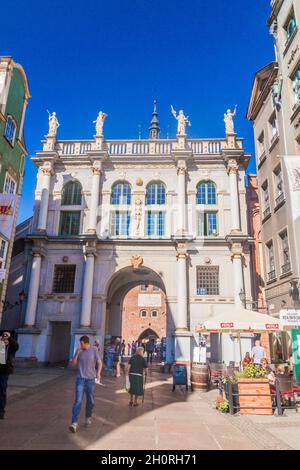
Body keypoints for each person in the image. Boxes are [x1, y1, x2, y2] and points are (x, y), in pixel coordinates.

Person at [69, 335, 101, 433]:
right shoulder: (79, 350)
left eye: (81, 343)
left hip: (90, 380)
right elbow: (73, 363)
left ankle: (88, 417)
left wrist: (98, 374)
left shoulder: (94, 350)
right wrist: (77, 354)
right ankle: (74, 423)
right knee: (78, 400)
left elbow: (99, 362)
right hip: (80, 379)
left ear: (86, 343)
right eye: (80, 343)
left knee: (90, 400)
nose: (80, 345)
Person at [0, 332, 19, 419]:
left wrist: (9, 337)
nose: (4, 340)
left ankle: (1, 412)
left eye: (6, 340)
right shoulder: (0, 346)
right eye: (3, 339)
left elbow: (16, 346)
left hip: (4, 372)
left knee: (2, 391)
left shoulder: (10, 348)